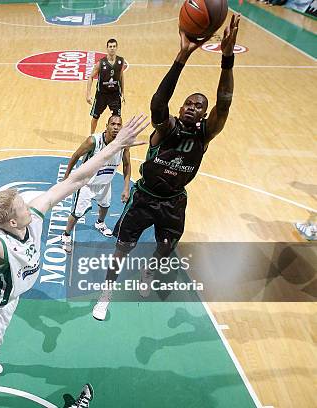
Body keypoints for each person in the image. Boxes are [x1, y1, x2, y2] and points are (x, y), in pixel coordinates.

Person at [0, 115, 149, 399]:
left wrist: (116, 146)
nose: (30, 204)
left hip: (13, 294)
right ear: (11, 222)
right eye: (22, 205)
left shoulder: (32, 214)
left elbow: (78, 177)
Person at [92, 15, 240, 321]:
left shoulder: (205, 134)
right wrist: (181, 56)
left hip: (173, 203)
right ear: (181, 108)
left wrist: (227, 59)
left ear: (203, 115)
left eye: (200, 106)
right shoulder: (166, 127)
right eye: (189, 103)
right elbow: (158, 102)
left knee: (164, 250)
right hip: (144, 197)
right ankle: (106, 292)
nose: (194, 107)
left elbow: (223, 104)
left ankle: (148, 272)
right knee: (122, 248)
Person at [61, 114, 131, 253]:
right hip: (86, 183)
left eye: (119, 125)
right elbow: (75, 156)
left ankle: (100, 223)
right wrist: (66, 176)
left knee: (105, 206)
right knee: (77, 213)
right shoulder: (94, 141)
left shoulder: (124, 144)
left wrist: (126, 187)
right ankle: (66, 235)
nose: (116, 127)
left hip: (105, 183)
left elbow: (127, 165)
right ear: (106, 126)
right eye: (113, 124)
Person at [86, 38, 125, 135]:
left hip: (115, 95)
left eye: (114, 46)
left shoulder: (120, 61)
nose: (112, 48)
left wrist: (123, 93)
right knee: (95, 117)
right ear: (107, 48)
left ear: (117, 48)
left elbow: (121, 77)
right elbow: (90, 77)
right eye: (110, 47)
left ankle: (116, 138)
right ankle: (92, 135)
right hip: (101, 95)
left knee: (117, 119)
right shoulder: (101, 63)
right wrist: (88, 94)